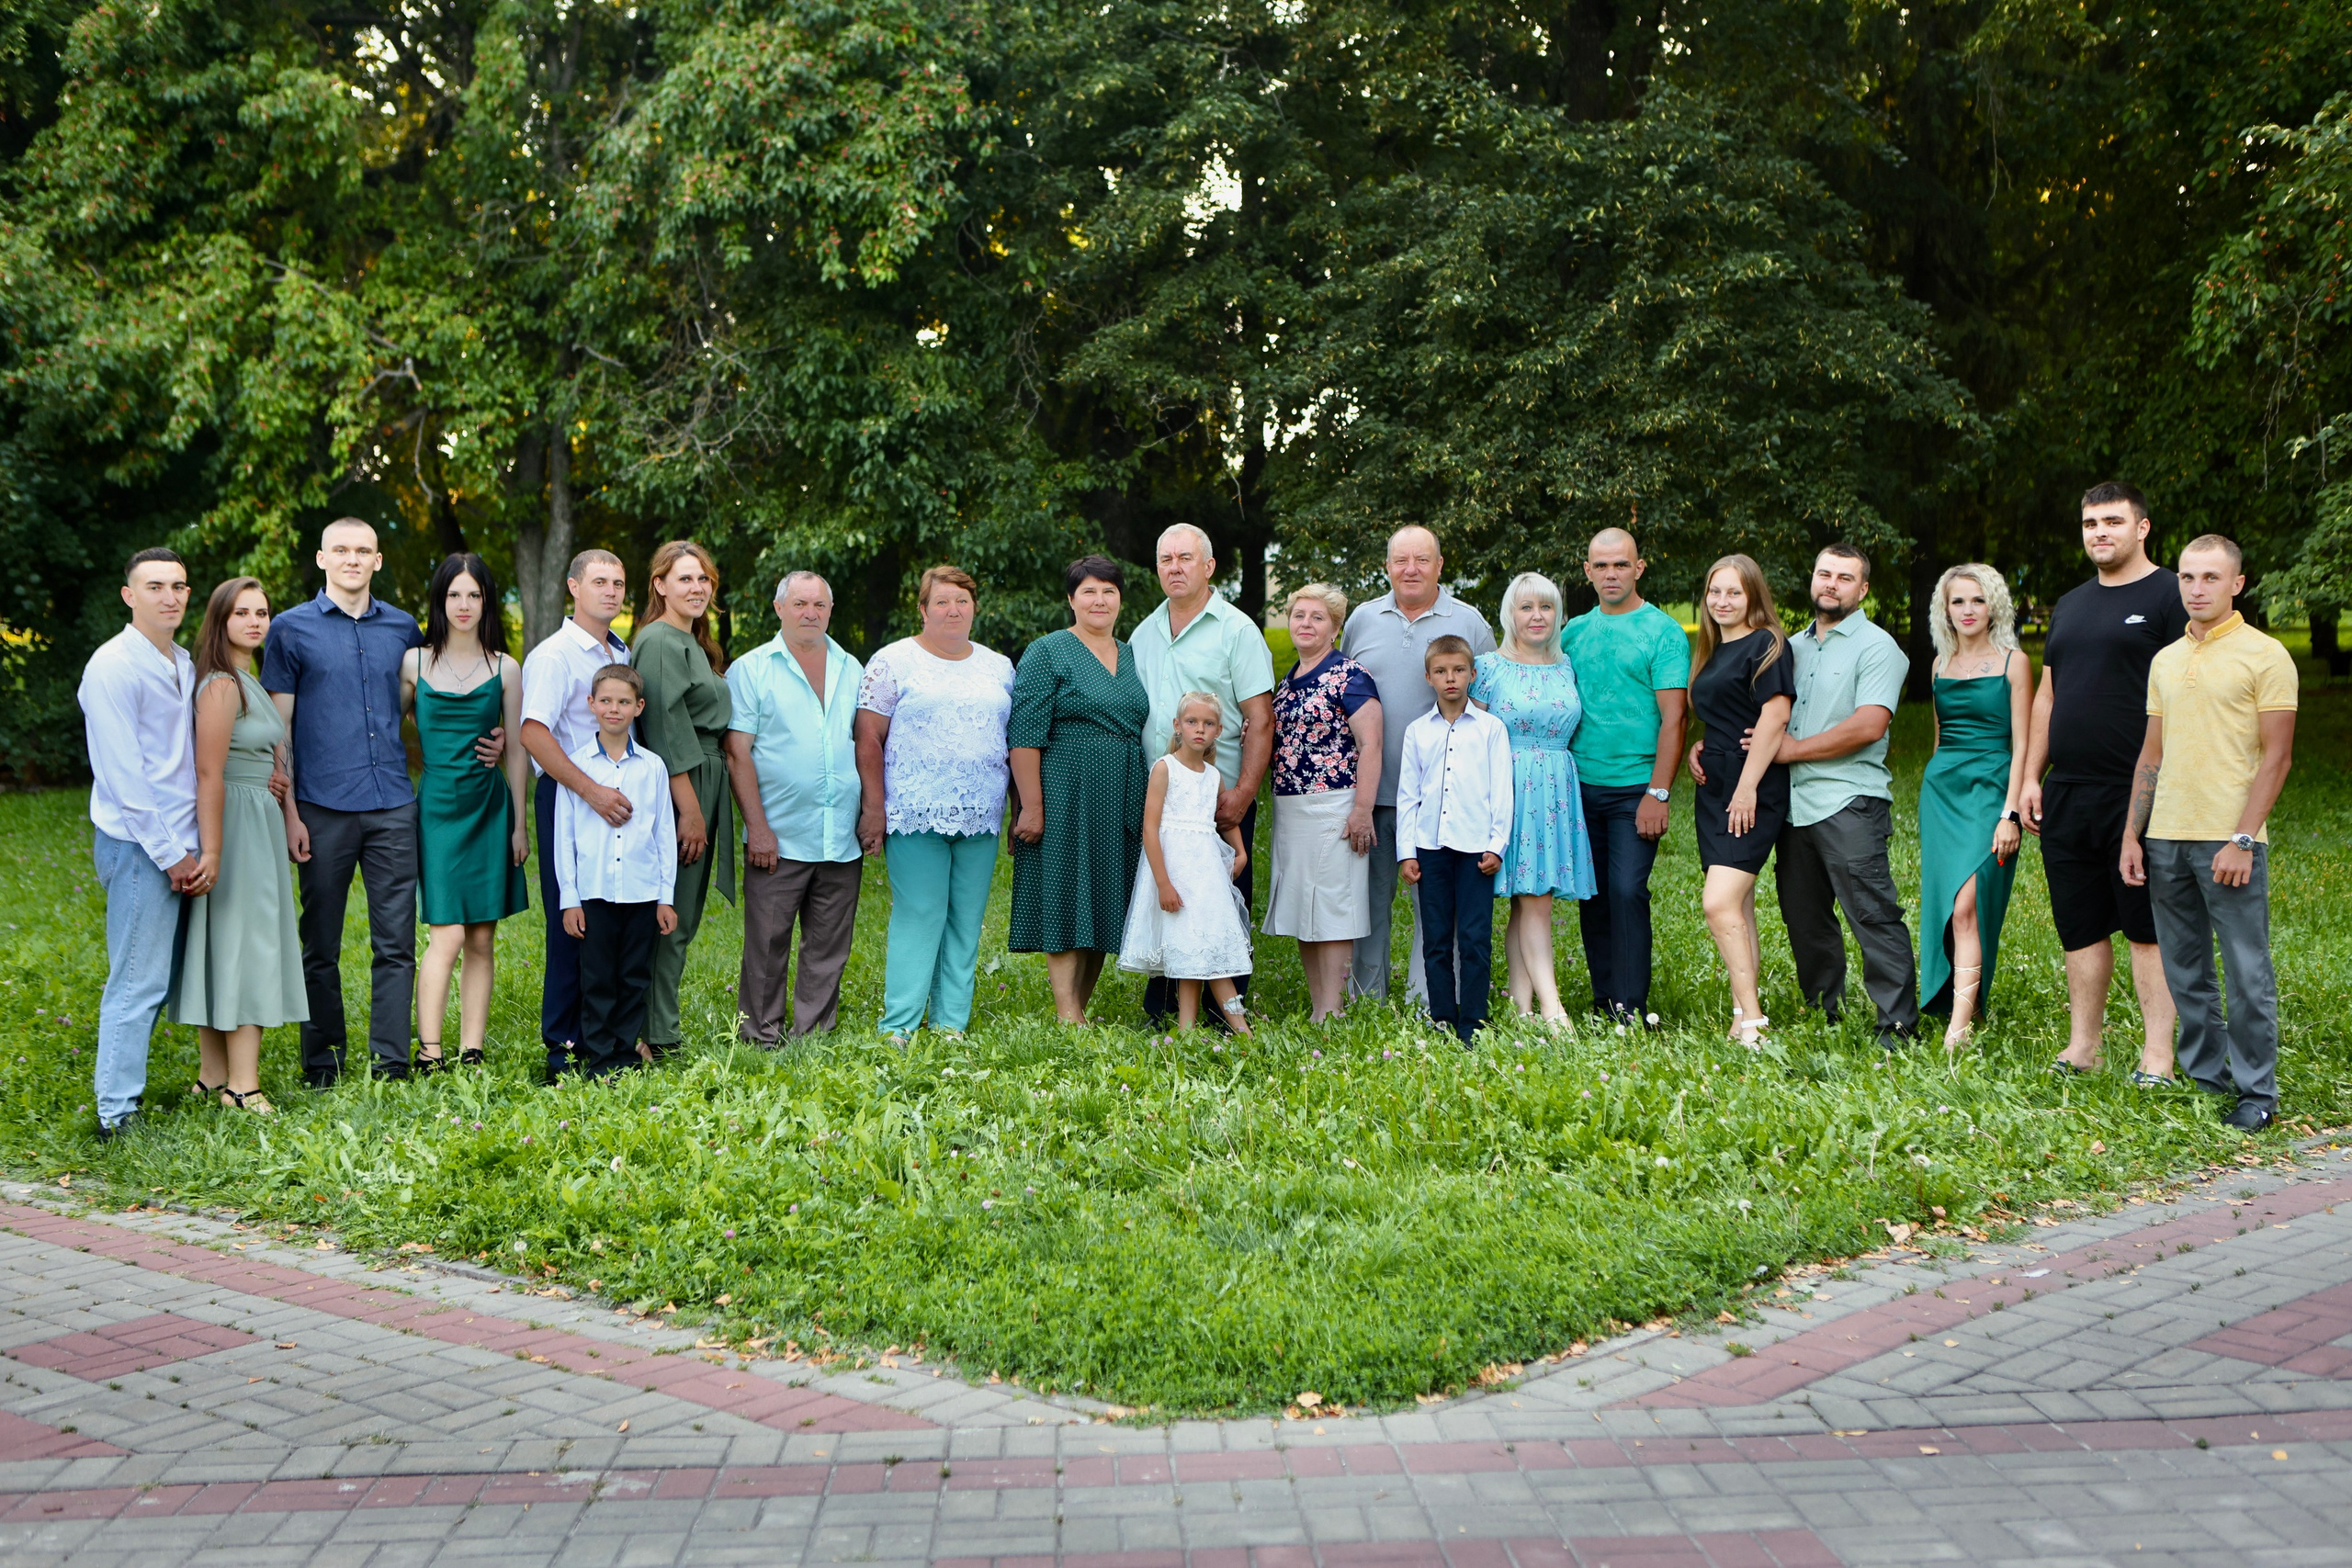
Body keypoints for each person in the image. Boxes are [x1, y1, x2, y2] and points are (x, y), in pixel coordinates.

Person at [2122, 536, 2297, 1131]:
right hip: (2165, 837)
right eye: (2188, 577)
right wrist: (2132, 835)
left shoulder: (2266, 655)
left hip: (2230, 840)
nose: (2197, 588)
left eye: (2210, 578)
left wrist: (2243, 838)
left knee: (2247, 970)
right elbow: (2151, 755)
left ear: (2237, 584)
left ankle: (2256, 1091)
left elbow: (2277, 758)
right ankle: (2205, 1075)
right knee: (2184, 967)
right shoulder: (2166, 659)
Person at [263, 518, 440, 1084]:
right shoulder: (290, 630)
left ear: (378, 560)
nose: (352, 559)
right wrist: (290, 811)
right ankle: (323, 1062)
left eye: (363, 550)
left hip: (391, 803)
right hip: (321, 806)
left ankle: (391, 1061)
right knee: (319, 944)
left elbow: (427, 705)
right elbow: (279, 730)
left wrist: (491, 735)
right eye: (341, 550)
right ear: (321, 559)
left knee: (397, 944)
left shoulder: (404, 629)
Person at [2022, 482, 2188, 1082]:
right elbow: (2048, 696)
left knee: (2145, 925)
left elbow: (2187, 694)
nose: (2099, 532)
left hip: (2139, 792)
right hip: (2069, 791)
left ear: (2142, 528)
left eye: (2113, 521)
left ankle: (2157, 1056)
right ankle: (2082, 1047)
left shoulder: (2171, 593)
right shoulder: (2068, 604)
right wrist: (2031, 780)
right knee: (2080, 923)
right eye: (2090, 522)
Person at [855, 565, 1017, 1041]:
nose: (953, 610)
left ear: (974, 609)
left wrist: (1020, 807)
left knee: (966, 920)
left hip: (981, 813)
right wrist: (874, 807)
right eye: (942, 601)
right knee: (921, 913)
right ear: (923, 609)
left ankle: (950, 1024)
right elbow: (868, 739)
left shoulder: (998, 666)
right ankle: (899, 1027)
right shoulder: (892, 661)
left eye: (962, 601)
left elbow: (1012, 740)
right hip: (914, 809)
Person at [1340, 525, 1498, 1002]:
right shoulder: (1362, 621)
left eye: (1422, 560)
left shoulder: (1470, 623)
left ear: (1440, 565)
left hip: (1442, 804)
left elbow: (1489, 703)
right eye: (1400, 560)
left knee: (1437, 909)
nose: (1411, 569)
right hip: (1370, 795)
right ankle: (1367, 999)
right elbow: (1336, 693)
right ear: (1387, 565)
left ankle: (1429, 1000)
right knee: (1369, 906)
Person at [170, 578, 307, 1112]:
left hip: (258, 816)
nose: (255, 621)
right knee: (244, 946)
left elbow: (269, 749)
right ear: (220, 620)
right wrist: (214, 850)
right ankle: (243, 1087)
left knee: (226, 943)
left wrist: (277, 784)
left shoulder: (247, 678)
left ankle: (212, 1076)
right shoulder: (222, 684)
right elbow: (208, 771)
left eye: (263, 612)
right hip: (234, 823)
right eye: (242, 613)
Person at [1774, 544, 1918, 1050]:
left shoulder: (1879, 648)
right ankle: (1821, 1012)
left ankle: (1896, 1025)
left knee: (1872, 913)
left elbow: (1869, 724)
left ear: (1863, 590)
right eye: (1823, 574)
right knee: (1803, 916)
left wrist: (1792, 752)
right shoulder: (1790, 647)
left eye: (1844, 577)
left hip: (1850, 802)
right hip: (1794, 807)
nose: (1831, 584)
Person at [1129, 525, 1275, 1023]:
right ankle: (1166, 1006)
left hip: (1217, 796)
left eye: (1186, 558)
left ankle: (1224, 1010)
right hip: (1163, 799)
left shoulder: (1236, 630)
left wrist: (1243, 793)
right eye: (1166, 558)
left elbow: (1260, 718)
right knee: (1165, 895)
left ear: (1209, 567)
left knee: (1217, 903)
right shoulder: (1143, 633)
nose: (1175, 566)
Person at [80, 548, 201, 1138]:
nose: (170, 596)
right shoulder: (111, 667)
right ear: (129, 595)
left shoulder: (183, 661)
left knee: (163, 978)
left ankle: (125, 1095)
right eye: (155, 586)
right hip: (140, 847)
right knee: (137, 979)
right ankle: (115, 1112)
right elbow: (125, 777)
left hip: (187, 842)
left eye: (178, 586)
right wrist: (172, 855)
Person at [1009, 556, 1152, 1025]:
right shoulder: (1048, 651)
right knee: (1068, 892)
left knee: (1107, 896)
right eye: (1089, 591)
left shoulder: (1131, 654)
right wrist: (1031, 807)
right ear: (1071, 600)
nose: (1099, 600)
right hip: (1067, 789)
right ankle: (1067, 1013)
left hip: (1123, 791)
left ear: (1120, 600)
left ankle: (1079, 1009)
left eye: (1109, 591)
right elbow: (1025, 734)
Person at [724, 572, 864, 1041]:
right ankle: (760, 1035)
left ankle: (813, 1034)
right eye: (800, 603)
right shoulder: (752, 668)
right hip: (778, 834)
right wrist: (757, 828)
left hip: (839, 834)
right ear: (779, 608)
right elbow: (737, 751)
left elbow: (863, 744)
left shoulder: (852, 667)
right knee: (767, 943)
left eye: (820, 605)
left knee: (829, 944)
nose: (810, 613)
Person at [402, 553, 527, 1071]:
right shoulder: (414, 662)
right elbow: (382, 730)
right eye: (454, 594)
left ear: (486, 602)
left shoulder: (505, 667)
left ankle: (471, 1048)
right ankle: (429, 1051)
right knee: (447, 932)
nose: (464, 604)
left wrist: (520, 824)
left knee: (481, 934)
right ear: (440, 599)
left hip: (488, 807)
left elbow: (518, 749)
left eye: (474, 595)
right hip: (437, 808)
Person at [1561, 528, 1690, 1029]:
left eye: (1621, 565)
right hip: (1579, 785)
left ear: (1638, 569)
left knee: (1627, 890)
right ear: (1588, 571)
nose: (1610, 574)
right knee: (1592, 895)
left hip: (1635, 786)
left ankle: (1631, 1008)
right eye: (1601, 566)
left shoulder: (1662, 632)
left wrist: (1658, 792)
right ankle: (1604, 999)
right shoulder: (1572, 634)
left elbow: (1675, 719)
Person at [521, 550, 632, 1081]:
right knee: (571, 922)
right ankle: (561, 1051)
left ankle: (603, 1039)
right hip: (570, 797)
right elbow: (534, 733)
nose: (611, 592)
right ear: (573, 587)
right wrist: (589, 791)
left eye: (618, 583)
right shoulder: (555, 655)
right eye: (599, 582)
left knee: (609, 921)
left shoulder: (619, 651)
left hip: (616, 800)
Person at [1471, 572, 1594, 1028]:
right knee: (1535, 896)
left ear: (1558, 613)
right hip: (1509, 785)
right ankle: (1553, 1009)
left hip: (1558, 786)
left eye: (1545, 606)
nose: (1536, 616)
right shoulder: (1488, 667)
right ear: (1510, 614)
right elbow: (1471, 739)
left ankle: (1521, 1010)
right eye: (1526, 607)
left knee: (1529, 900)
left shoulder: (1566, 666)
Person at [1916, 564, 2030, 1050]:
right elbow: (1941, 737)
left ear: (1994, 608)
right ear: (1945, 608)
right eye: (1958, 601)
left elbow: (2024, 745)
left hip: (1992, 788)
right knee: (1951, 906)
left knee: (1970, 904)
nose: (1967, 610)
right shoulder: (1940, 665)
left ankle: (1957, 1029)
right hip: (1943, 793)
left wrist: (2012, 813)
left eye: (1977, 601)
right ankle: (1967, 1011)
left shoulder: (2014, 662)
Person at [1681, 555, 1794, 1047]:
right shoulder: (1711, 647)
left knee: (1718, 902)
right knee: (1739, 907)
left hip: (1752, 787)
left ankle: (1752, 1022)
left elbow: (1775, 716)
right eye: (1714, 592)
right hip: (1715, 786)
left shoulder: (1768, 644)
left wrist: (1748, 785)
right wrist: (1700, 745)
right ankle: (1740, 1010)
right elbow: (1721, 711)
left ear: (1753, 595)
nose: (1722, 601)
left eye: (1733, 592)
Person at [634, 541, 735, 1056]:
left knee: (685, 914)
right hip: (683, 783)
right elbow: (663, 727)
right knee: (669, 914)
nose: (697, 589)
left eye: (703, 580)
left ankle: (656, 1027)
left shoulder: (694, 642)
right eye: (685, 579)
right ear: (660, 585)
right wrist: (690, 809)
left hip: (707, 776)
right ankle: (655, 1035)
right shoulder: (658, 641)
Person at [1263, 584, 1382, 1022]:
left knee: (1332, 907)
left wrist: (1362, 810)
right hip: (1292, 809)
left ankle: (1333, 1010)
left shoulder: (1351, 676)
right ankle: (1320, 1008)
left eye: (1317, 618)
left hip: (1336, 806)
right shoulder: (1287, 680)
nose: (1306, 624)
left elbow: (1371, 745)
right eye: (1299, 616)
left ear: (1334, 628)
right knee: (1302, 908)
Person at [552, 665, 678, 1078]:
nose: (614, 708)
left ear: (638, 707)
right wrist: (569, 898)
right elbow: (563, 839)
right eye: (605, 700)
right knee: (598, 979)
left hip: (642, 893)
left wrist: (666, 896)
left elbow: (663, 832)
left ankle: (626, 1055)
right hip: (595, 893)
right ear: (591, 705)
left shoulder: (653, 768)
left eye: (624, 701)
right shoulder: (575, 767)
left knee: (634, 976)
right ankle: (601, 1059)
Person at [1396, 636, 1513, 1043]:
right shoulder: (1417, 732)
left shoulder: (1491, 729)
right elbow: (1408, 795)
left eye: (1459, 670)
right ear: (1429, 677)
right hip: (1430, 850)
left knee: (1476, 939)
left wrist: (1496, 845)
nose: (1451, 678)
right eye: (1442, 671)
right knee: (1436, 939)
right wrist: (1406, 853)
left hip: (1476, 850)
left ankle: (1475, 1023)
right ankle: (1444, 1018)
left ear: (1472, 675)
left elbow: (1502, 791)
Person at [1120, 693, 1256, 1033]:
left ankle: (1215, 1030)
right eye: (1192, 722)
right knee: (1187, 950)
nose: (1200, 729)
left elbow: (1223, 820)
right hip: (1176, 872)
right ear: (1178, 726)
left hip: (1206, 875)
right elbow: (1150, 829)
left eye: (1208, 724)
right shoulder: (1165, 769)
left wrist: (1240, 852)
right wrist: (1164, 883)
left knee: (1203, 949)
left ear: (1219, 731)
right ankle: (1197, 1030)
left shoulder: (1214, 776)